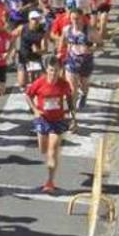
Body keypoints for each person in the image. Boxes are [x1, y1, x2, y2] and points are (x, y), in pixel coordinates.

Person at [25, 56, 78, 192]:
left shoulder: (63, 84)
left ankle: (50, 182)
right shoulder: (40, 82)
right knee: (43, 149)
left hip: (58, 121)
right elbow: (28, 95)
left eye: (56, 71)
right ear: (46, 70)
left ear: (60, 70)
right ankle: (49, 161)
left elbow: (70, 99)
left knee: (52, 150)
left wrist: (73, 118)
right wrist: (35, 110)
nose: (53, 74)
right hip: (43, 119)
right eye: (50, 70)